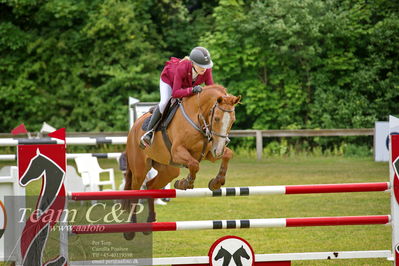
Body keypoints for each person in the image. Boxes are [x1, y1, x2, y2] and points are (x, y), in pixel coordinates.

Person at [140, 46, 214, 147]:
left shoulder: (206, 70)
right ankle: (149, 132)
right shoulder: (182, 67)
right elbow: (175, 93)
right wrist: (192, 90)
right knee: (165, 102)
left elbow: (211, 88)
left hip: (187, 86)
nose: (204, 69)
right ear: (193, 63)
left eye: (206, 66)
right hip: (169, 82)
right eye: (201, 66)